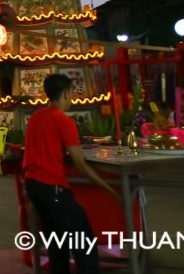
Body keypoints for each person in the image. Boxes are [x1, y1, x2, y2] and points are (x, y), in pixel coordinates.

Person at [23, 73, 117, 274]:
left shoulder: (35, 118)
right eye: (72, 93)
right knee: (84, 244)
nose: (72, 98)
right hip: (52, 188)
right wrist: (108, 188)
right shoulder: (64, 121)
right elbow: (80, 164)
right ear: (65, 94)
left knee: (57, 244)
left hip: (33, 186)